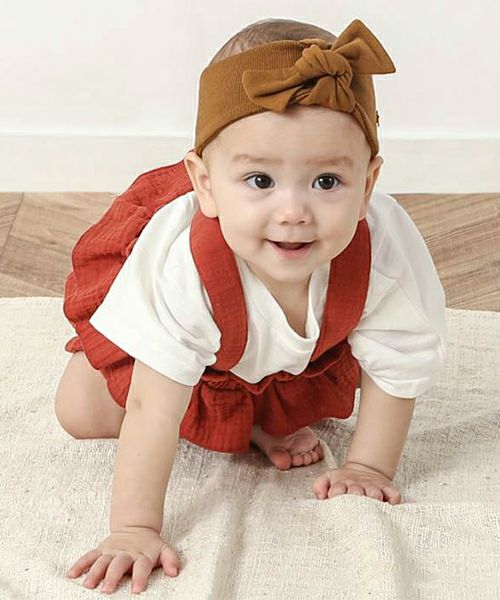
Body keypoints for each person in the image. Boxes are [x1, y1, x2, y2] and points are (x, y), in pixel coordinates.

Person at [55, 17, 447, 594]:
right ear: (205, 184)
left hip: (291, 365)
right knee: (81, 411)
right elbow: (151, 409)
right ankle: (235, 418)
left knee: (297, 381)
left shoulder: (383, 250)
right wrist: (134, 529)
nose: (293, 212)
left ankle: (256, 420)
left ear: (368, 184)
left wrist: (367, 465)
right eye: (260, 180)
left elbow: (397, 365)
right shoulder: (186, 264)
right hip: (192, 354)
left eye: (326, 182)